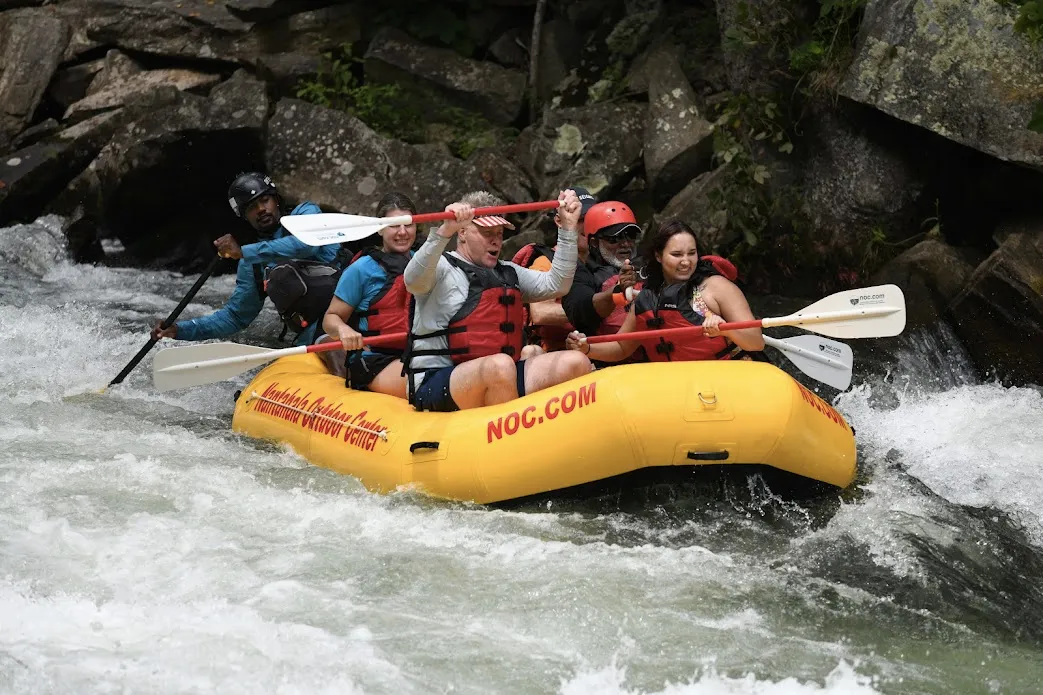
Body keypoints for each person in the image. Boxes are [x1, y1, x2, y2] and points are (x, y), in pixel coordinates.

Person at [402, 189, 592, 411]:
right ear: (462, 232)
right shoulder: (441, 267)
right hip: (437, 380)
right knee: (500, 366)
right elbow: (412, 281)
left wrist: (568, 229)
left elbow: (557, 284)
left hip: (500, 373)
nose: (496, 240)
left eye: (500, 233)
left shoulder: (508, 272)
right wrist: (445, 230)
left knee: (575, 362)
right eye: (487, 232)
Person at [151, 172, 340, 346]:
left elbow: (306, 244)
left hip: (354, 307)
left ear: (276, 200)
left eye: (265, 200)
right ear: (244, 217)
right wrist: (179, 330)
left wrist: (244, 252)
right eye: (251, 207)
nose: (261, 210)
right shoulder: (253, 263)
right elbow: (235, 317)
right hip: (317, 330)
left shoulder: (306, 213)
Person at [565, 220, 765, 363]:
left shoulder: (716, 287)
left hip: (728, 376)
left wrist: (726, 328)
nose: (686, 261)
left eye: (692, 253)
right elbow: (621, 347)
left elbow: (756, 342)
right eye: (677, 255)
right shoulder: (647, 297)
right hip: (678, 385)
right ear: (659, 256)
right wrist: (587, 348)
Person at [319, 192, 417, 397]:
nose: (402, 232)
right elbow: (331, 318)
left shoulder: (425, 263)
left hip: (417, 352)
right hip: (375, 356)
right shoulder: (361, 270)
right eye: (394, 225)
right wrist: (343, 330)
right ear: (380, 229)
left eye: (408, 224)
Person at [511, 186, 597, 357]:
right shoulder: (544, 262)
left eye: (592, 219)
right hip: (553, 354)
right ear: (559, 221)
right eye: (581, 219)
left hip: (593, 350)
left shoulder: (598, 265)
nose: (587, 226)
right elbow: (540, 313)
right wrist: (597, 309)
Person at [560, 200, 645, 363]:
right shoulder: (578, 273)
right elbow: (580, 312)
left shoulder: (649, 267)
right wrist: (617, 292)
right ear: (594, 242)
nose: (626, 244)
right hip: (605, 365)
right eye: (615, 238)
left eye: (630, 236)